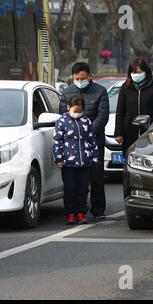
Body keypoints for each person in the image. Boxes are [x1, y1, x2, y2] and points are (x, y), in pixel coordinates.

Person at [59, 62, 109, 219]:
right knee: (74, 183)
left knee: (96, 178)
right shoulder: (67, 93)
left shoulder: (100, 91)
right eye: (77, 78)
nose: (80, 81)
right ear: (73, 78)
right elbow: (63, 117)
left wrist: (87, 132)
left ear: (89, 76)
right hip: (71, 146)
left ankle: (98, 209)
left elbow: (102, 116)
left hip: (93, 143)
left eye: (83, 78)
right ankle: (76, 211)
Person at [54, 96, 100, 225]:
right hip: (68, 164)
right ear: (68, 108)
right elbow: (57, 141)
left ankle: (81, 213)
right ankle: (70, 214)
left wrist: (95, 158)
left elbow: (93, 140)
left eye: (80, 111)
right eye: (75, 110)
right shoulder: (61, 121)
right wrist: (58, 158)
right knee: (70, 189)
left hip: (84, 162)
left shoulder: (87, 122)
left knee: (83, 189)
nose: (77, 113)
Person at [114, 58, 153, 155]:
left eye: (138, 72)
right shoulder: (125, 88)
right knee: (129, 159)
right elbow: (120, 111)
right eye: (133, 73)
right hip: (129, 132)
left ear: (145, 71)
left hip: (150, 133)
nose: (136, 75)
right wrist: (118, 132)